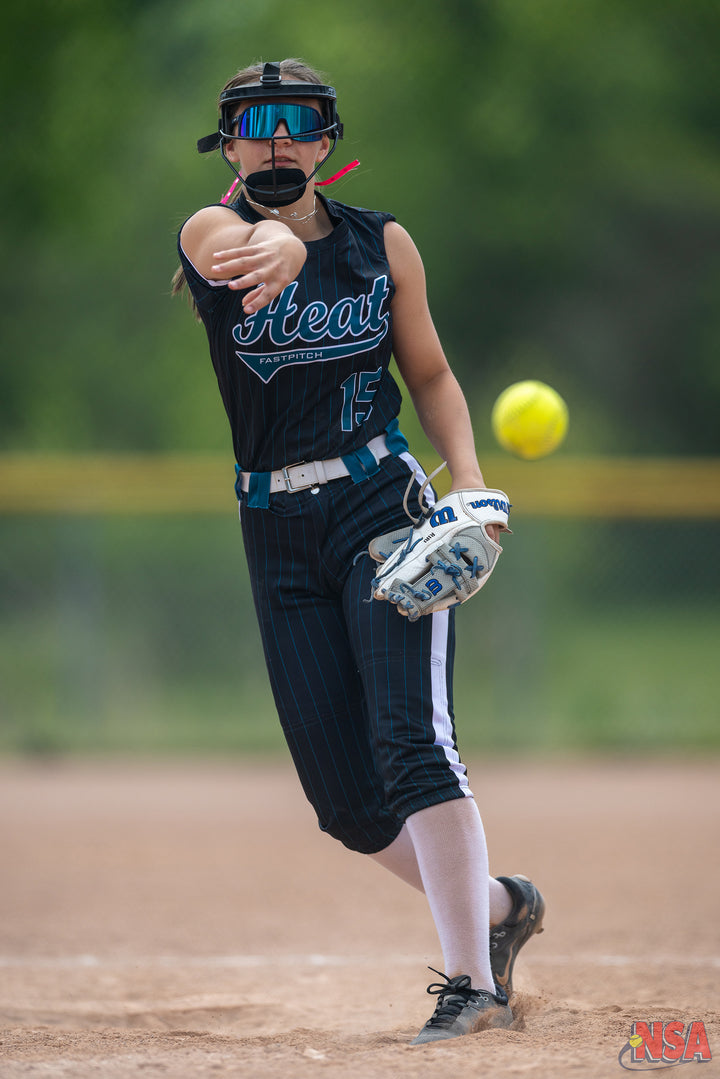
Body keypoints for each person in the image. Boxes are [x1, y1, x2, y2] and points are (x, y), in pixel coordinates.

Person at [173, 57, 545, 1045]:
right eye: (256, 123)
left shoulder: (382, 245)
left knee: (411, 739)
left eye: (299, 121)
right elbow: (232, 243)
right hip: (275, 530)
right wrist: (275, 247)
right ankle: (502, 907)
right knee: (345, 801)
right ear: (231, 145)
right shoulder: (211, 235)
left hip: (382, 500)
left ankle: (473, 983)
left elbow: (428, 370)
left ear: (328, 141)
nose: (278, 138)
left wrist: (466, 476)